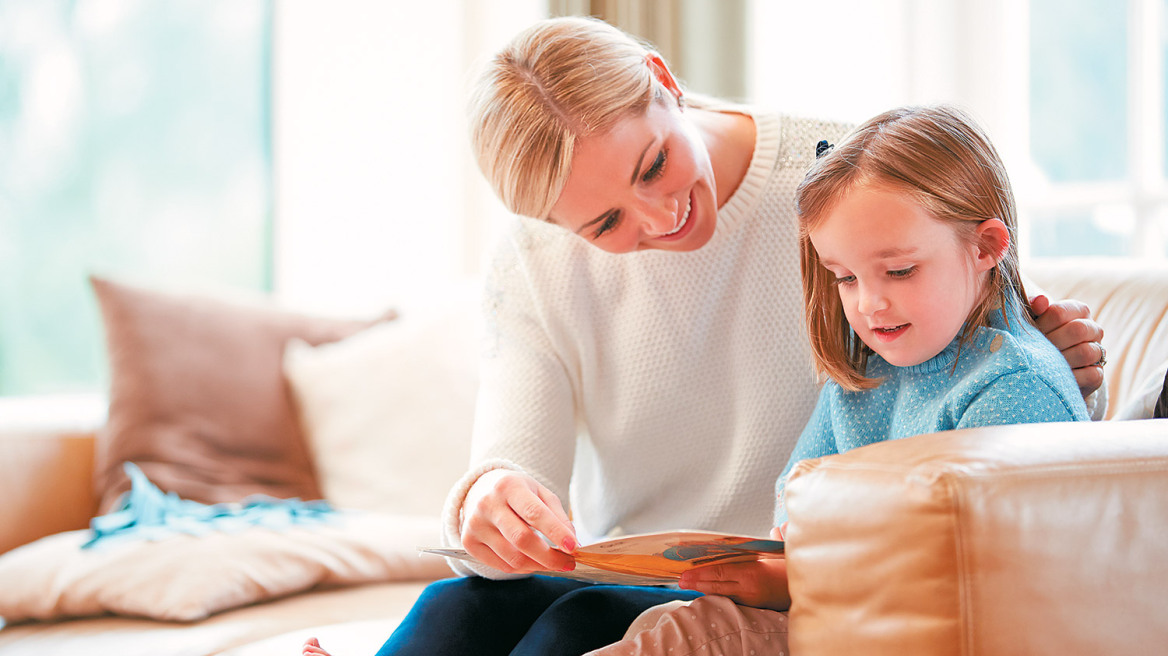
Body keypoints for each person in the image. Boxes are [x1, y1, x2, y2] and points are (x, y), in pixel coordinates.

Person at [303, 16, 1106, 656]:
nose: (660, 217)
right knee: (462, 603)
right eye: (605, 222)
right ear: (550, 226)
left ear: (663, 80)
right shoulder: (537, 265)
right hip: (660, 569)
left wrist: (1052, 348)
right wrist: (490, 501)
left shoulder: (841, 186)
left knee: (573, 629)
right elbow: (511, 468)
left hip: (793, 582)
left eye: (652, 165)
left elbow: (972, 324)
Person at [584, 104, 1091, 656]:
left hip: (917, 636)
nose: (870, 303)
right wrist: (783, 557)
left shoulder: (1011, 385)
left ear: (986, 247)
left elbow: (973, 577)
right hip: (840, 610)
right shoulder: (866, 375)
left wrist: (798, 580)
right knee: (661, 625)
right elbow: (796, 491)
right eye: (846, 278)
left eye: (899, 271)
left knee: (690, 637)